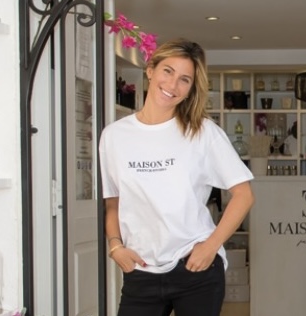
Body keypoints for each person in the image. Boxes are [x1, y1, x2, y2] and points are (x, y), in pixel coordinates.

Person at [99, 38, 254, 316]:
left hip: (196, 269)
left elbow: (243, 195)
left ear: (191, 88)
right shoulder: (114, 136)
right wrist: (115, 247)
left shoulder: (202, 132)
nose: (172, 85)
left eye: (184, 79)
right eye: (167, 71)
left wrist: (211, 246)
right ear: (151, 70)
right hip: (141, 270)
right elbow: (113, 201)